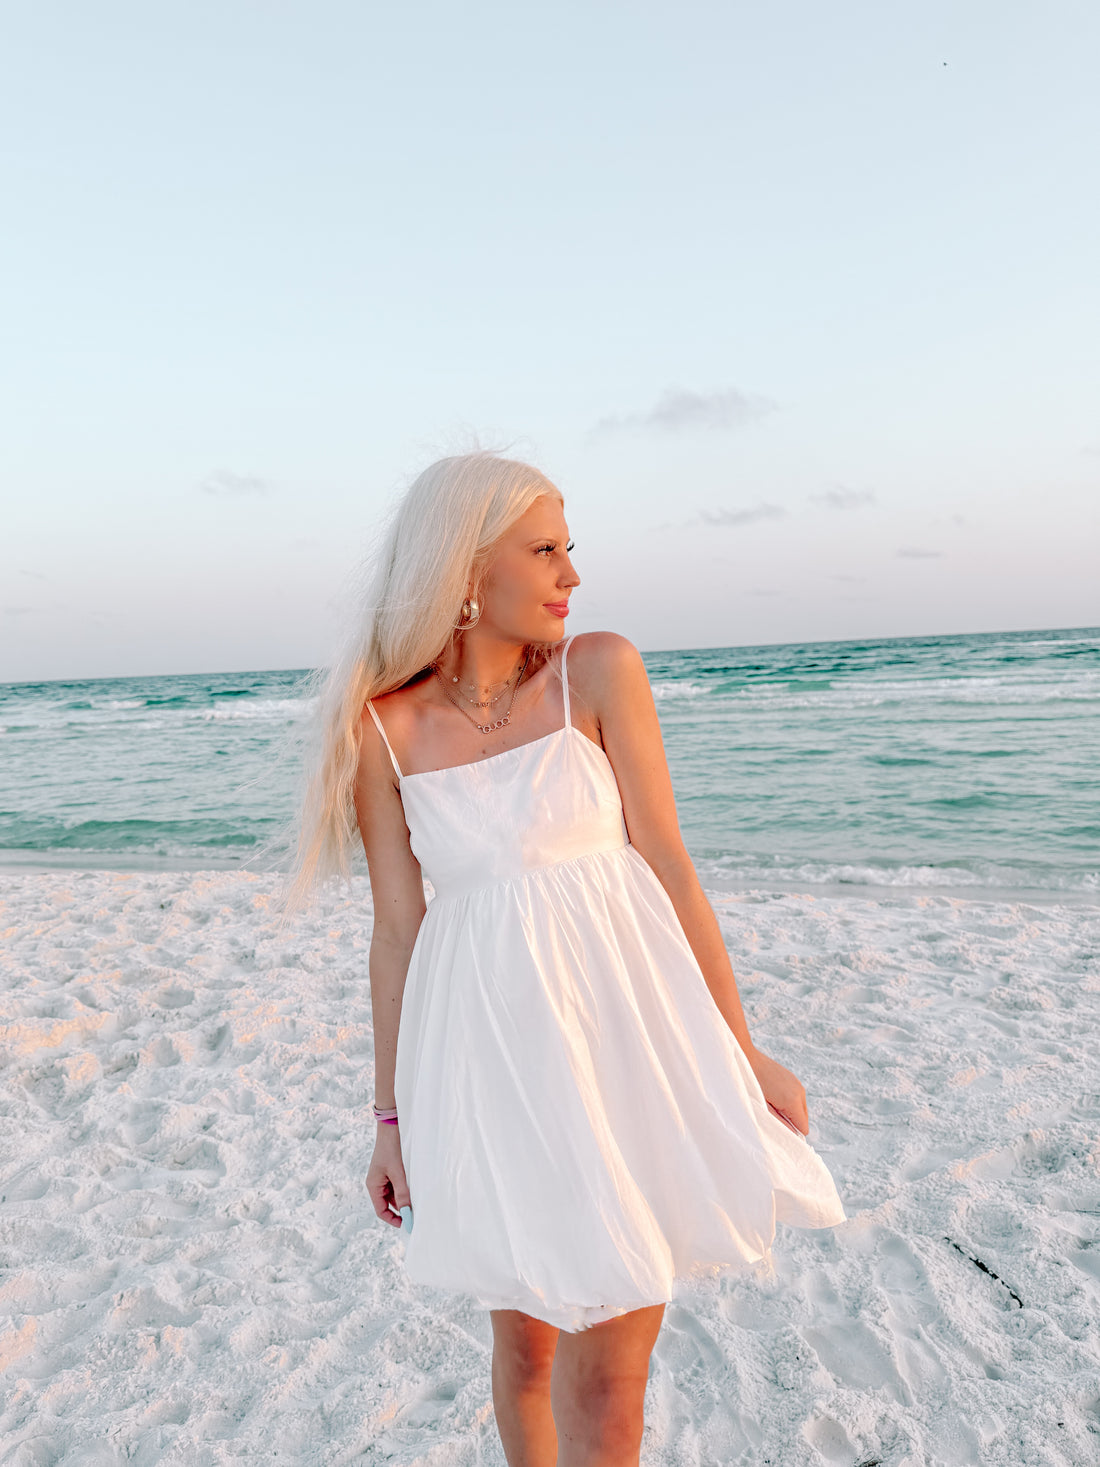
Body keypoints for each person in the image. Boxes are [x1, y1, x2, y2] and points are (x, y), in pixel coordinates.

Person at [284, 450, 846, 1467]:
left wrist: (743, 1052)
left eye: (567, 549)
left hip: (625, 1045)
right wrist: (389, 1121)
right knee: (527, 1351)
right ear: (463, 570)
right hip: (488, 1063)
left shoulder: (597, 672)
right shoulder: (382, 731)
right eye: (543, 550)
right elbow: (397, 933)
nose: (569, 575)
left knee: (610, 1381)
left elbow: (669, 868)